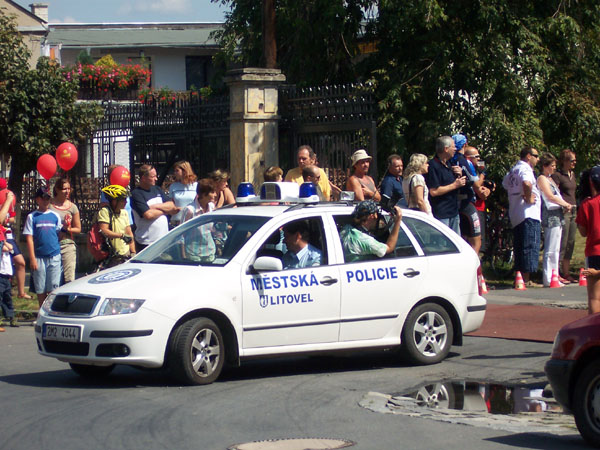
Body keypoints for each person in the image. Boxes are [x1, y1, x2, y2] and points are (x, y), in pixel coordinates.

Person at [502, 147, 542, 287]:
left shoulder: (513, 170)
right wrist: (528, 196)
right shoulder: (525, 169)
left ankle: (519, 277)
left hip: (516, 213)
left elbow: (505, 184)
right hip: (528, 213)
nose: (538, 159)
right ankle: (526, 278)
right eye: (536, 156)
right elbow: (526, 182)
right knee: (530, 245)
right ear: (529, 156)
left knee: (519, 246)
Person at [23, 187, 62, 307]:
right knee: (41, 289)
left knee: (53, 288)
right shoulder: (32, 217)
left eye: (48, 198)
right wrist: (32, 258)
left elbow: (58, 233)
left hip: (54, 256)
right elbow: (29, 238)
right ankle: (41, 311)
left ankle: (51, 311)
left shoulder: (55, 216)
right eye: (43, 198)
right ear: (37, 200)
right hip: (39, 257)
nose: (46, 201)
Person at [537, 153, 572, 287]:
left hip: (557, 214)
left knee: (556, 247)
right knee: (551, 247)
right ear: (545, 166)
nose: (554, 168)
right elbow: (550, 196)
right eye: (552, 166)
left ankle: (554, 275)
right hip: (550, 215)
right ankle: (548, 277)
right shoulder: (542, 179)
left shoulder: (550, 179)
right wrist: (565, 204)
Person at [131, 164, 179, 253]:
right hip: (147, 242)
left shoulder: (157, 189)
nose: (156, 179)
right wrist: (166, 211)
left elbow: (171, 205)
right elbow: (148, 215)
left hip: (163, 240)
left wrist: (155, 207)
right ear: (143, 178)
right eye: (153, 176)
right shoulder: (137, 194)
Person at [425, 136, 466, 234]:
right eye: (453, 146)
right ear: (446, 149)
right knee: (443, 246)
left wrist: (459, 174)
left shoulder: (449, 164)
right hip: (441, 215)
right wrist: (455, 185)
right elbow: (434, 191)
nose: (455, 149)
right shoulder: (433, 166)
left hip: (454, 212)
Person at [0, 178, 30, 299]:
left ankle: (21, 292)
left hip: (8, 235)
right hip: (1, 237)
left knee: (21, 262)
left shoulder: (9, 204)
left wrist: (6, 219)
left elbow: (13, 219)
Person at [552, 149, 578, 283]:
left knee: (571, 242)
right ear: (565, 161)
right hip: (564, 210)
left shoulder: (572, 175)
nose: (574, 162)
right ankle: (557, 272)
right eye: (572, 160)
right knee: (562, 241)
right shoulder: (558, 175)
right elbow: (554, 193)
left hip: (574, 209)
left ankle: (566, 272)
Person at [577, 166, 600, 314]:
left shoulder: (587, 204)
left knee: (594, 297)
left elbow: (583, 232)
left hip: (594, 252)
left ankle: (594, 332)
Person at [49, 178, 81, 284]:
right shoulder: (49, 205)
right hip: (52, 244)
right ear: (57, 190)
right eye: (64, 189)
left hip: (67, 244)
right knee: (54, 279)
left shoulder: (73, 207)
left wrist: (68, 228)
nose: (67, 191)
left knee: (69, 278)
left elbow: (78, 229)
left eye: (69, 188)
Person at [181, 179, 218, 262]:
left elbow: (212, 230)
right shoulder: (190, 210)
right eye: (212, 192)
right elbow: (181, 234)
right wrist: (183, 255)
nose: (215, 194)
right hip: (193, 254)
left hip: (210, 252)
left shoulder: (211, 207)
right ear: (204, 194)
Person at [98, 185, 136, 263]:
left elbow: (129, 232)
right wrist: (121, 236)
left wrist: (133, 252)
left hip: (125, 254)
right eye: (123, 200)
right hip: (111, 254)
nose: (126, 202)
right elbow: (104, 230)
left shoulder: (124, 213)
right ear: (114, 201)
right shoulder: (105, 212)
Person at [168, 160, 198, 227]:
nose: (174, 173)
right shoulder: (173, 186)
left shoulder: (196, 186)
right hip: (176, 222)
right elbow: (171, 203)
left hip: (192, 222)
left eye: (177, 171)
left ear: (184, 171)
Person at [0, 238, 18, 330]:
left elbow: (11, 248)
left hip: (7, 275)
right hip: (0, 274)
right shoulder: (2, 246)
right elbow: (6, 249)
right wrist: (4, 244)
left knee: (7, 297)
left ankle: (11, 316)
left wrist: (5, 242)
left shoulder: (5, 243)